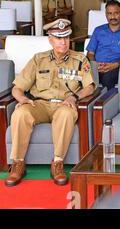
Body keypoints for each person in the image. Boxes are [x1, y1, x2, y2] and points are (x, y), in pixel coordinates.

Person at [5, 19, 95, 187]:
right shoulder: (38, 59)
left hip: (64, 104)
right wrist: (22, 99)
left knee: (66, 113)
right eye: (59, 38)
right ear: (50, 39)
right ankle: (18, 164)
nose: (64, 42)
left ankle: (58, 163)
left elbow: (89, 87)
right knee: (20, 113)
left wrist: (74, 98)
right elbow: (17, 88)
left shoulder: (80, 59)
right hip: (40, 104)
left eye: (67, 37)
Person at [86, 0, 120, 90]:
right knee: (84, 78)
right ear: (106, 15)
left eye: (116, 13)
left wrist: (116, 64)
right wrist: (95, 65)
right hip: (98, 66)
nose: (113, 16)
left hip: (117, 66)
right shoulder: (98, 30)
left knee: (107, 79)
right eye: (109, 13)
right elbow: (90, 53)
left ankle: (105, 102)